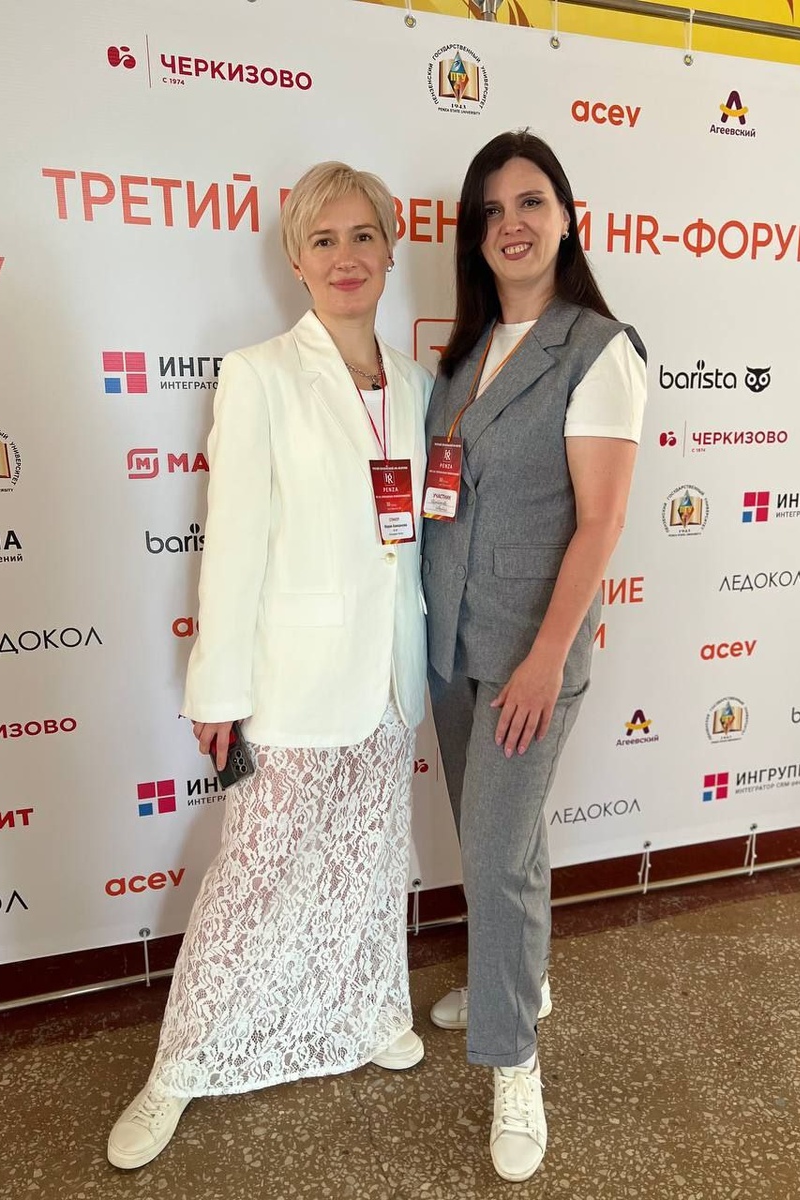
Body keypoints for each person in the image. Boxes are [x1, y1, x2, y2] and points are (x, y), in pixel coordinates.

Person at [107, 162, 432, 1170]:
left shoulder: (415, 383)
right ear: (297, 259)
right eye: (324, 240)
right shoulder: (258, 374)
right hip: (294, 676)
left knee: (368, 863)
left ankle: (371, 1012)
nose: (346, 256)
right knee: (254, 877)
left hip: (391, 675)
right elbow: (235, 541)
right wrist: (220, 690)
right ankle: (179, 1069)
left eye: (364, 235)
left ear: (390, 249)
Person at [421, 130, 647, 1183]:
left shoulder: (597, 349)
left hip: (530, 652)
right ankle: (523, 979)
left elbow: (601, 523)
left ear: (565, 217)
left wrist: (550, 657)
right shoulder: (465, 352)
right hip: (451, 642)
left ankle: (514, 1058)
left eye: (530, 202)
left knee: (496, 853)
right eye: (491, 210)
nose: (510, 223)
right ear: (475, 235)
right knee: (502, 842)